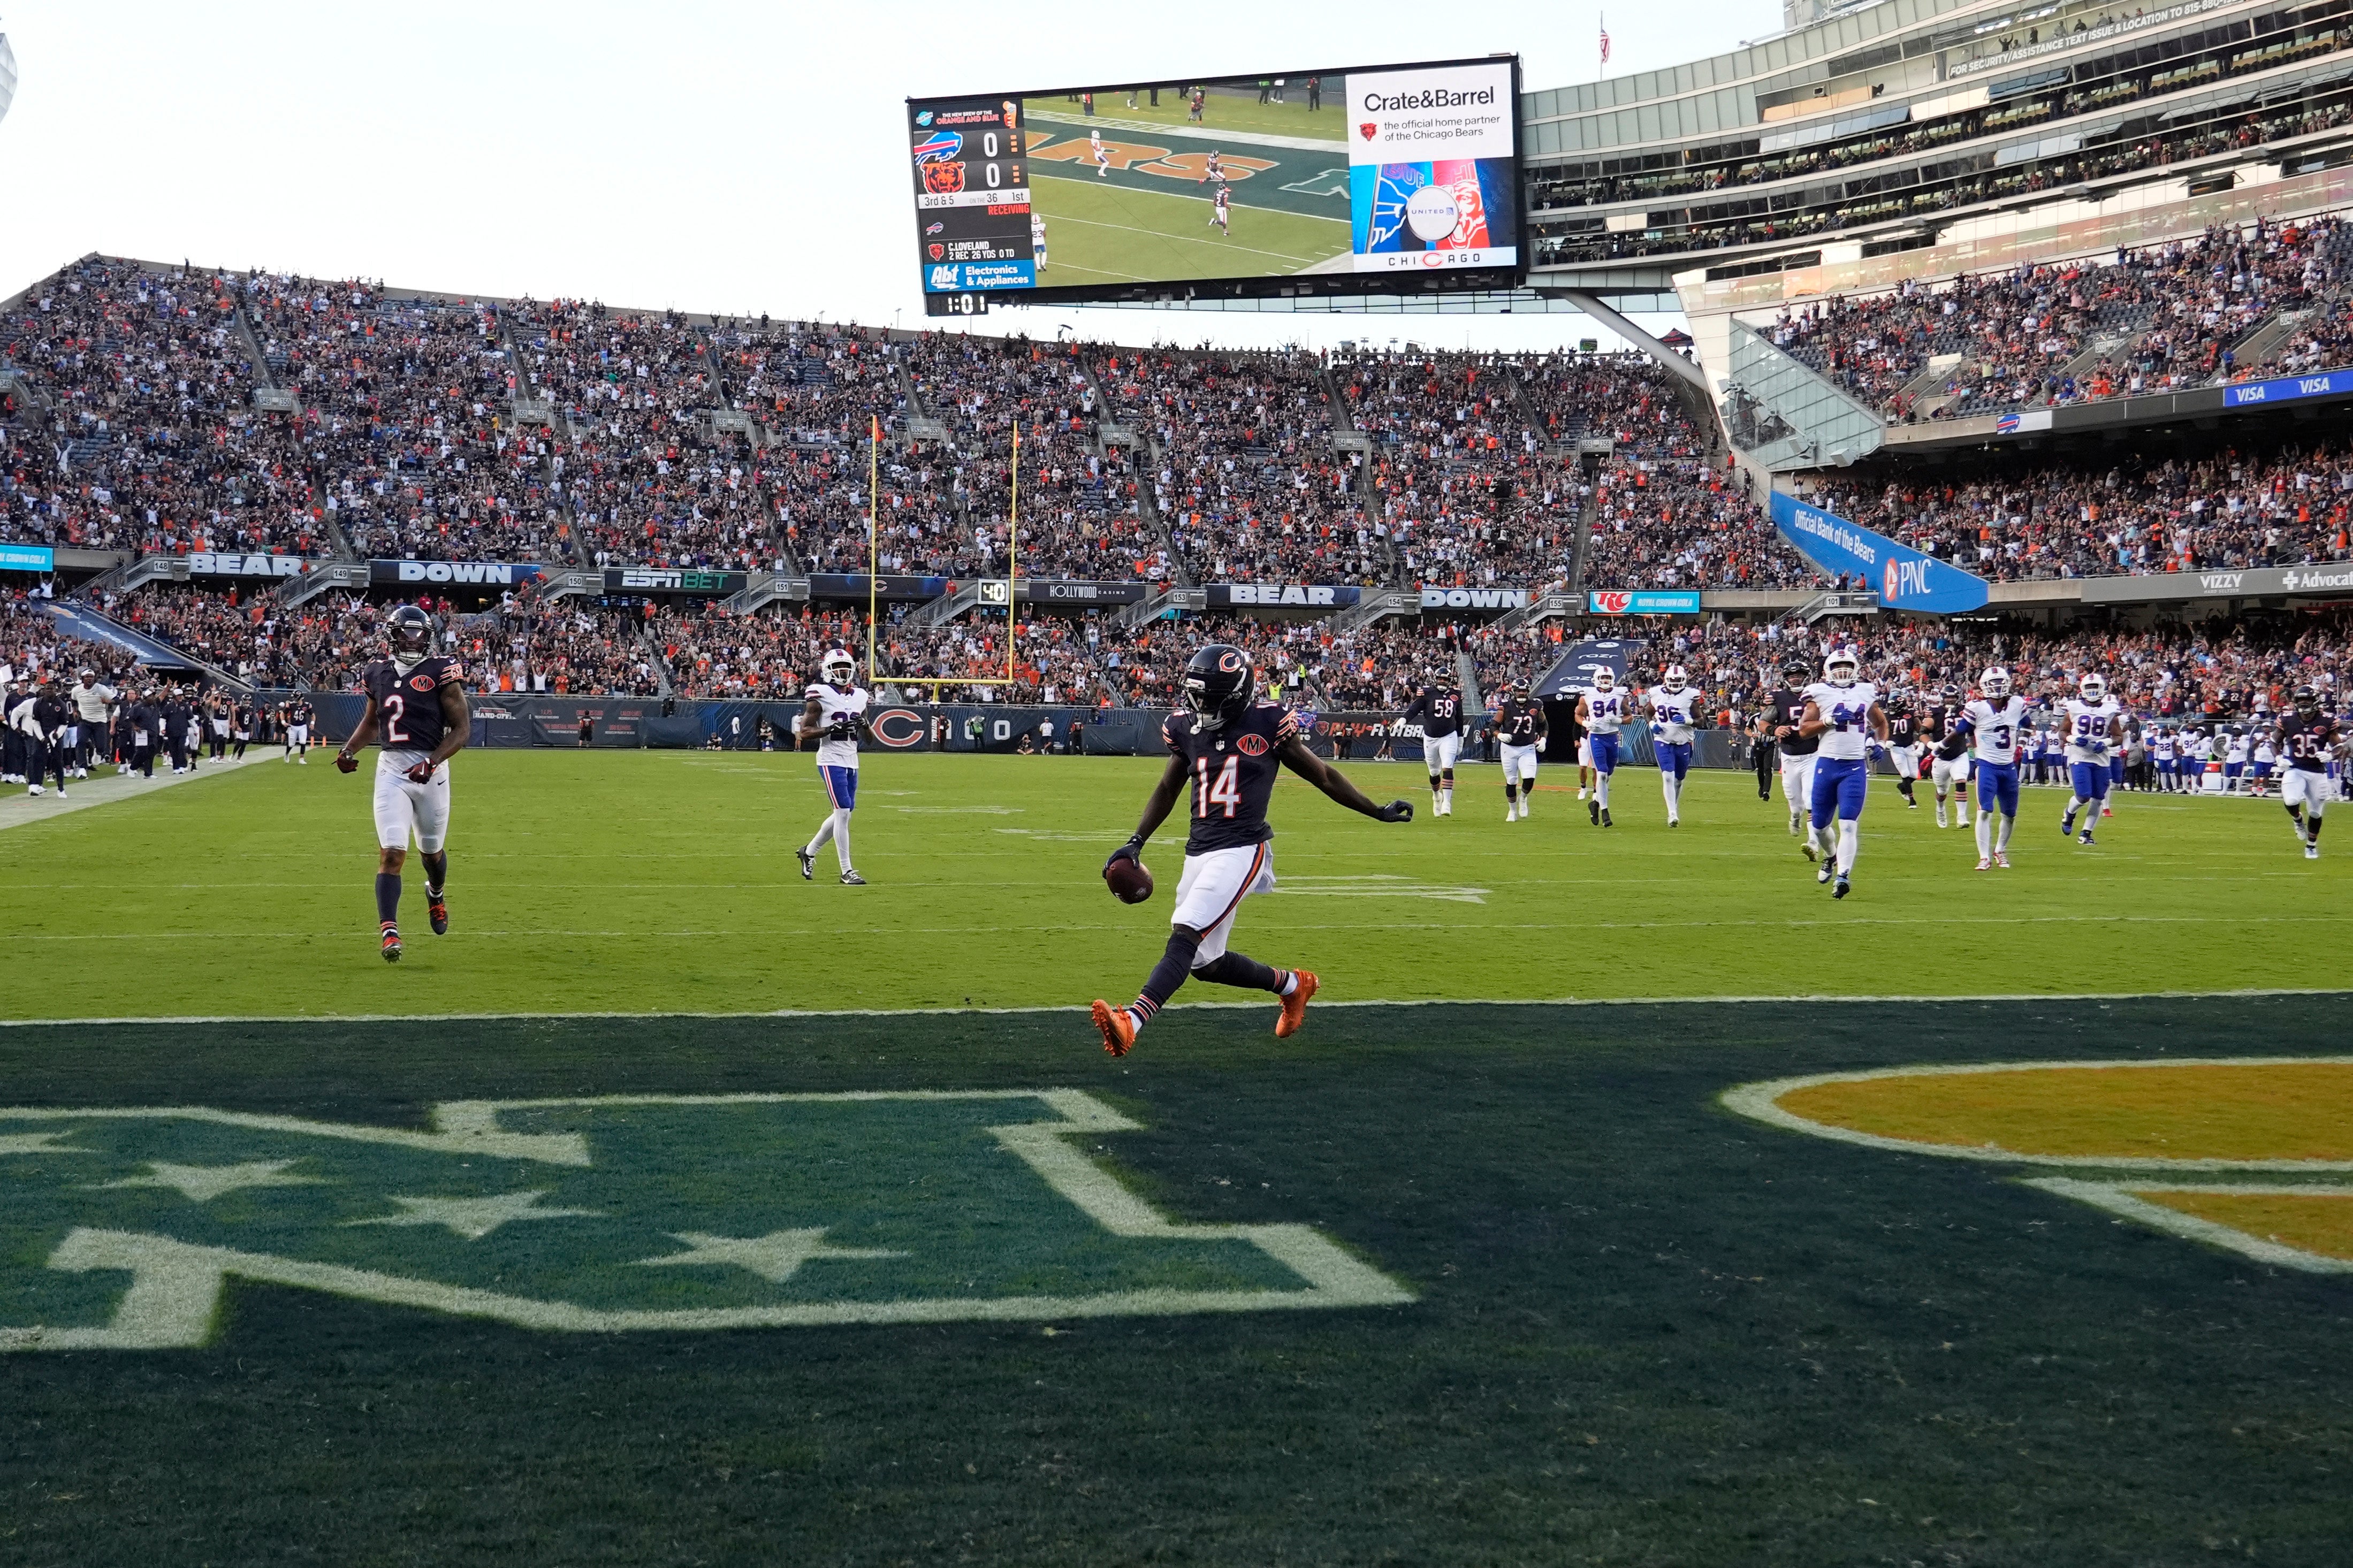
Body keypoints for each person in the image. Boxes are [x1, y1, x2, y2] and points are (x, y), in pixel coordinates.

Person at [1089, 644, 1412, 1057]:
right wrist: (1136, 841)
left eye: (1211, 698)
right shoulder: (1186, 728)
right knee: (1205, 963)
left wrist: (1377, 811)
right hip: (1199, 850)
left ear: (1238, 693)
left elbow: (1325, 776)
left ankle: (1131, 1020)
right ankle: (1294, 986)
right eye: (1198, 696)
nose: (1201, 706)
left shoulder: (1267, 722)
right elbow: (1169, 786)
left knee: (1185, 931)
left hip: (1242, 848)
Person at [335, 605, 469, 962]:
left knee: (431, 854)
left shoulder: (442, 670)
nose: (413, 640)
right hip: (392, 769)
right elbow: (372, 722)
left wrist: (433, 760)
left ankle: (436, 894)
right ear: (392, 635)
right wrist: (349, 749)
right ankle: (389, 932)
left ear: (428, 636)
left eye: (419, 633)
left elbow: (462, 729)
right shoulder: (376, 670)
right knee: (392, 853)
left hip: (432, 771)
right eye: (406, 633)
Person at [1796, 647, 1887, 899]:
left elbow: (1880, 723)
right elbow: (1804, 730)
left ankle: (1843, 876)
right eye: (1837, 667)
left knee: (1849, 825)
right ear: (1828, 670)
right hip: (1827, 765)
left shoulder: (1866, 691)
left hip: (1855, 767)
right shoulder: (1819, 692)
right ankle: (1830, 856)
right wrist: (1828, 721)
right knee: (1818, 826)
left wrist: (1881, 744)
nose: (1842, 671)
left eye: (1847, 666)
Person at [795, 648, 873, 886]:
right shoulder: (820, 695)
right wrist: (831, 729)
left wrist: (864, 726)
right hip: (830, 760)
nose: (842, 672)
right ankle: (846, 871)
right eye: (837, 668)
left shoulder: (860, 696)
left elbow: (870, 739)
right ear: (828, 671)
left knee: (845, 813)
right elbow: (804, 732)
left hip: (852, 760)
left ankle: (808, 851)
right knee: (842, 813)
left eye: (845, 667)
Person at [1941, 666, 2028, 871]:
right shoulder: (1977, 707)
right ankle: (1984, 857)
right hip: (1987, 765)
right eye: (1994, 683)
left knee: (2010, 814)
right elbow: (1960, 730)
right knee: (1984, 811)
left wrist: (2022, 744)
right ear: (1985, 686)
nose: (1998, 687)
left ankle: (2000, 850)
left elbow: (2027, 725)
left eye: (2001, 682)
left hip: (2008, 767)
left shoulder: (2017, 704)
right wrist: (1939, 749)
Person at [2060, 672, 2125, 846]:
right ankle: (2069, 813)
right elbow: (2063, 732)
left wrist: (2106, 742)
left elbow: (2119, 736)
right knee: (2083, 796)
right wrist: (2073, 739)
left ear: (2102, 689)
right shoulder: (2073, 707)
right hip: (2079, 756)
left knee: (2098, 798)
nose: (2093, 690)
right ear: (2082, 689)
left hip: (2101, 759)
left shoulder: (2109, 711)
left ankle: (2086, 833)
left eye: (2095, 687)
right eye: (2089, 687)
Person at [2278, 685, 2338, 860]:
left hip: (2317, 771)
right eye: (2300, 701)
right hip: (2295, 768)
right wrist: (2278, 758)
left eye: (2307, 701)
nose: (2303, 704)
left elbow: (2339, 747)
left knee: (2316, 812)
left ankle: (2311, 846)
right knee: (2291, 801)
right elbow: (2275, 741)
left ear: (2315, 701)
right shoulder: (2287, 718)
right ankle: (2297, 820)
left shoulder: (2327, 720)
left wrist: (2330, 755)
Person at [1765, 659, 1818, 846]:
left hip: (1813, 755)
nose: (1796, 680)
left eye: (1800, 676)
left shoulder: (1817, 694)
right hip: (1789, 757)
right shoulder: (1777, 698)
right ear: (1786, 679)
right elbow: (1763, 723)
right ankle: (1795, 816)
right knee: (1795, 804)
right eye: (1792, 676)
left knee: (1811, 799)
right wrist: (1775, 730)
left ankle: (1813, 842)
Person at [1641, 664, 1701, 828]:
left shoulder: (1690, 696)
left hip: (1683, 742)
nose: (1675, 683)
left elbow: (1702, 721)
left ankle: (1673, 808)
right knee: (1667, 776)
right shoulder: (1657, 693)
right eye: (1672, 680)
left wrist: (1688, 721)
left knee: (1679, 780)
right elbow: (1647, 711)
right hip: (1662, 740)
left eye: (1678, 680)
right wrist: (1652, 724)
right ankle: (1672, 814)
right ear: (1666, 680)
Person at [1400, 672, 1464, 817]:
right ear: (1436, 679)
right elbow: (1414, 709)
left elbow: (1459, 718)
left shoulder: (1456, 694)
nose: (1442, 681)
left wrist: (1460, 737)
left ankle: (1447, 802)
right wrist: (1403, 720)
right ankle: (1437, 797)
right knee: (1434, 773)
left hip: (1449, 735)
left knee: (1448, 766)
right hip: (1430, 737)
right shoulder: (1427, 693)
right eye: (1440, 678)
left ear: (1449, 680)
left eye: (1445, 679)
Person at [1575, 667, 1629, 827]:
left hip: (1612, 736)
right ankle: (1605, 812)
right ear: (1597, 679)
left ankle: (1595, 804)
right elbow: (1578, 715)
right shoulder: (1587, 695)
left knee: (1608, 775)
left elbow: (1630, 716)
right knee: (1602, 774)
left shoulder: (1620, 694)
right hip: (1596, 737)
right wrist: (1585, 723)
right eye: (1603, 678)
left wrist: (1619, 721)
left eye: (1608, 678)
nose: (1605, 681)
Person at [1492, 677, 1547, 821]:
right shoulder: (1506, 706)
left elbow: (1544, 725)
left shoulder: (1536, 705)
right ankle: (1512, 811)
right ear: (1514, 692)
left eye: (1524, 691)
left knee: (1529, 778)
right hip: (1509, 749)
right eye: (1519, 691)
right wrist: (1500, 735)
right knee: (1511, 780)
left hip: (1527, 748)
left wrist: (1544, 739)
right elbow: (1493, 726)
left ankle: (1523, 798)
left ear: (1528, 691)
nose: (1521, 694)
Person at [1923, 684, 1970, 828]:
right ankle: (1940, 808)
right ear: (1943, 698)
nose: (1950, 700)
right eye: (1948, 697)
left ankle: (1961, 817)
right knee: (1942, 791)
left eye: (1953, 697)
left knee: (1961, 781)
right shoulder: (1935, 713)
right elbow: (1923, 732)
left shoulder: (1965, 711)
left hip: (1959, 754)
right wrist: (1931, 745)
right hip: (1941, 758)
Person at [1884, 690, 1923, 810]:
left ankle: (1902, 787)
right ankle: (1912, 800)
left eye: (1893, 705)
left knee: (1914, 775)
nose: (1891, 707)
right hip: (1896, 748)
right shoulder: (1887, 716)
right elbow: (1882, 730)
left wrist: (1920, 744)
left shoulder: (1911, 714)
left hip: (1909, 747)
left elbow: (1920, 729)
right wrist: (1885, 741)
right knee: (1905, 773)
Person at [285, 696, 313, 763]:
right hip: (293, 726)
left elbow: (313, 715)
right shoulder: (291, 705)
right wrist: (283, 722)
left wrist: (312, 723)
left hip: (302, 726)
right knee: (291, 744)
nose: (295, 699)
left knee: (303, 742)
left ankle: (301, 759)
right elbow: (283, 713)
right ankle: (287, 753)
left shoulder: (307, 705)